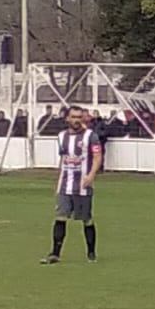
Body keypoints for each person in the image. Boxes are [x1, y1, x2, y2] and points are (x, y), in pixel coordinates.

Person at [40, 106, 104, 265]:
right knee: (60, 217)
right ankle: (55, 253)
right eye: (73, 117)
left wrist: (91, 175)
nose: (76, 120)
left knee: (86, 219)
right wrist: (58, 180)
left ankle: (91, 252)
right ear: (67, 118)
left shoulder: (91, 136)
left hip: (83, 184)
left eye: (79, 117)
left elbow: (97, 156)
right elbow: (63, 159)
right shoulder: (62, 136)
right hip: (65, 184)